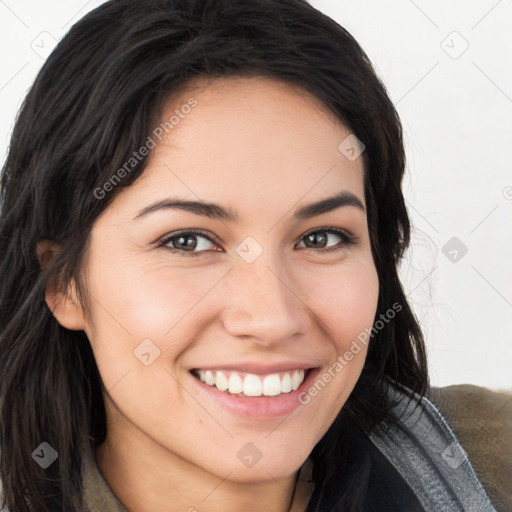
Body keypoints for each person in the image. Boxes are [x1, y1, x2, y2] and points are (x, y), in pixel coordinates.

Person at [0, 0, 510, 511]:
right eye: (188, 241)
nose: (271, 318)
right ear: (62, 281)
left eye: (321, 238)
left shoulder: (491, 466)